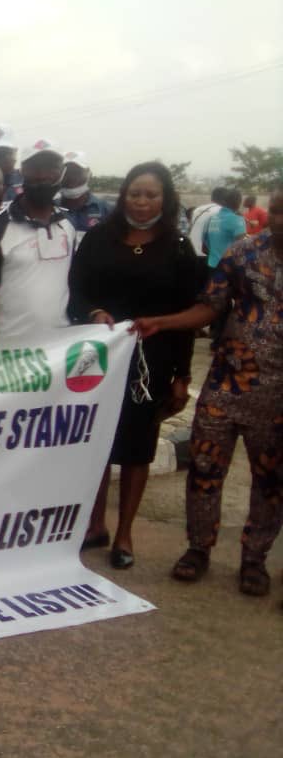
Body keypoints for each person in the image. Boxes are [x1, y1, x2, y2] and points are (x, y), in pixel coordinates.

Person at [132, 186, 283, 600]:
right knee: (204, 468)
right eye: (277, 211)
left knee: (270, 481)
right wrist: (163, 322)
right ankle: (198, 549)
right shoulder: (243, 253)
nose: (280, 221)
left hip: (277, 398)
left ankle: (254, 559)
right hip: (226, 384)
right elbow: (211, 306)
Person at [69, 162, 203, 570]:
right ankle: (94, 525)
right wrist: (93, 311)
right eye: (135, 194)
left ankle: (124, 532)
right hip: (99, 357)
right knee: (96, 441)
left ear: (166, 199)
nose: (142, 202)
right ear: (123, 196)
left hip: (152, 362)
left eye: (151, 195)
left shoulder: (178, 247)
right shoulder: (98, 239)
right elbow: (76, 292)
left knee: (138, 447)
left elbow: (188, 314)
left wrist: (182, 375)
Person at [0, 138, 77, 338]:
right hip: (11, 348)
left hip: (59, 345)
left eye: (51, 168)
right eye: (35, 168)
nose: (43, 175)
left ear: (62, 172)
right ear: (22, 171)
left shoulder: (68, 224)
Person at [58, 151, 113, 246]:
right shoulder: (50, 209)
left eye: (77, 172)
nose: (71, 177)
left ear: (89, 174)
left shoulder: (107, 210)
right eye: (66, 172)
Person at [205, 187, 247, 268]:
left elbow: (207, 240)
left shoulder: (213, 217)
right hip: (228, 267)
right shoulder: (237, 219)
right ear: (239, 203)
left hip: (212, 263)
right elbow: (241, 246)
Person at [188, 187, 225, 257]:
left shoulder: (197, 209)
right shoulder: (220, 211)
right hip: (206, 255)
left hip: (192, 250)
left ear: (212, 198)